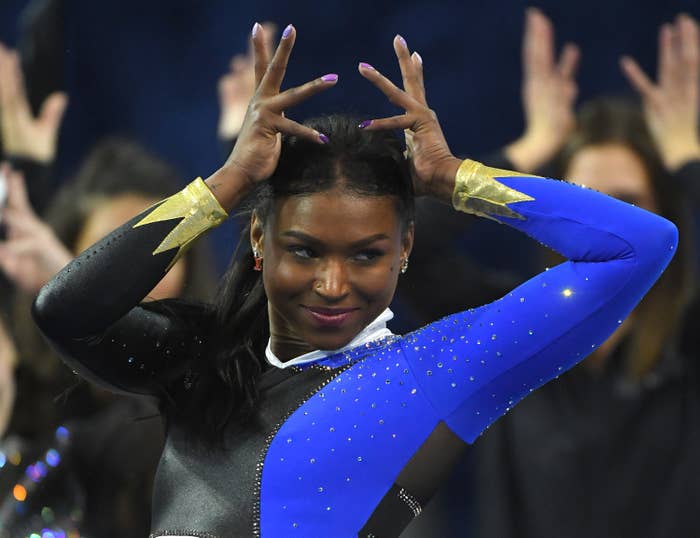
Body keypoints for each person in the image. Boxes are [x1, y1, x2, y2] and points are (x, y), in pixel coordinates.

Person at [32, 23, 677, 537]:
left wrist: (458, 180)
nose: (334, 284)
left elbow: (641, 246)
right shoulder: (198, 359)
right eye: (305, 251)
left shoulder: (443, 366)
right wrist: (226, 184)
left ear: (407, 247)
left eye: (366, 255)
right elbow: (65, 310)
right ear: (259, 239)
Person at [469, 10, 700, 538]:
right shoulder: (509, 331)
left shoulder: (689, 340)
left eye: (628, 206)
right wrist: (522, 155)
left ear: (665, 216)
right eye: (584, 205)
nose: (608, 232)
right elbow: (410, 251)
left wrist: (688, 159)